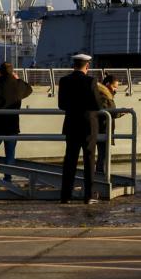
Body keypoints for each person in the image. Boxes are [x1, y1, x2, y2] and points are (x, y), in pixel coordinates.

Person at [58, 53, 102, 204]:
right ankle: (88, 196)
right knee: (89, 160)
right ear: (87, 66)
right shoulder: (91, 81)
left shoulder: (64, 81)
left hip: (71, 124)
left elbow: (61, 105)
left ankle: (65, 196)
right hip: (88, 125)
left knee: (70, 160)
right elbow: (97, 105)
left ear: (74, 65)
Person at [0, 62, 32, 184]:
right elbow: (29, 89)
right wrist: (18, 79)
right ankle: (7, 179)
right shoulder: (18, 86)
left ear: (0, 72)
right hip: (12, 127)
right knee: (10, 155)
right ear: (12, 72)